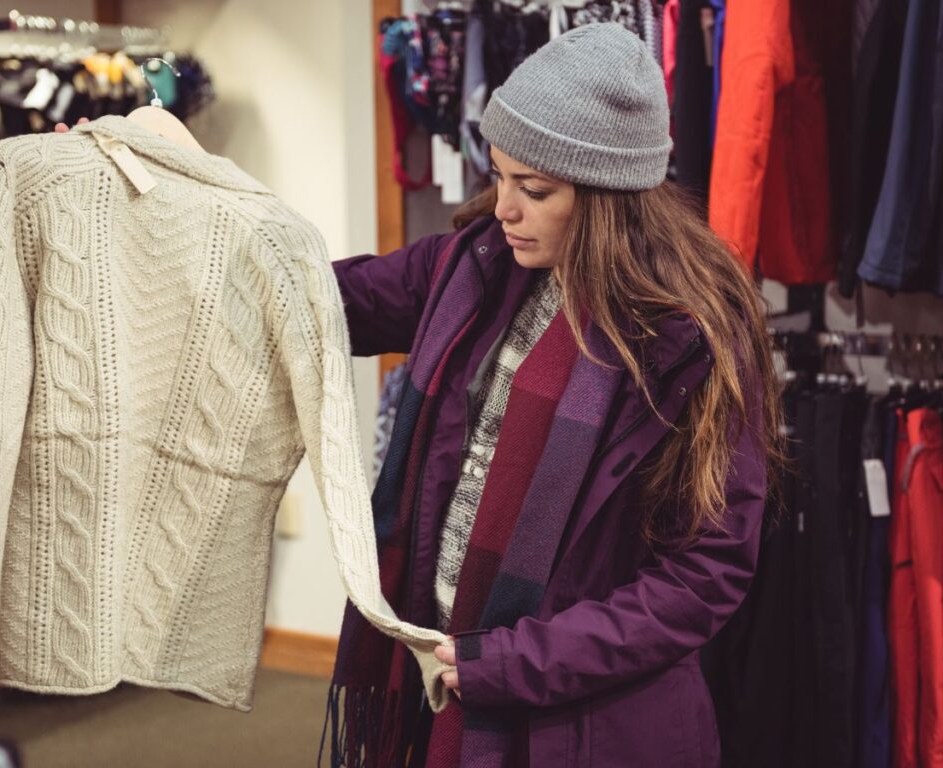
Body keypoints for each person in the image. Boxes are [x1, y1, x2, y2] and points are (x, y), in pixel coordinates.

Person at [60, 23, 781, 767]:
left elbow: (703, 577)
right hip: (449, 682)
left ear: (610, 200)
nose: (504, 208)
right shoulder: (474, 266)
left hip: (589, 723)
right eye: (498, 176)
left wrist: (510, 662)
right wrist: (159, 189)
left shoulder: (686, 340)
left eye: (535, 190)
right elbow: (304, 294)